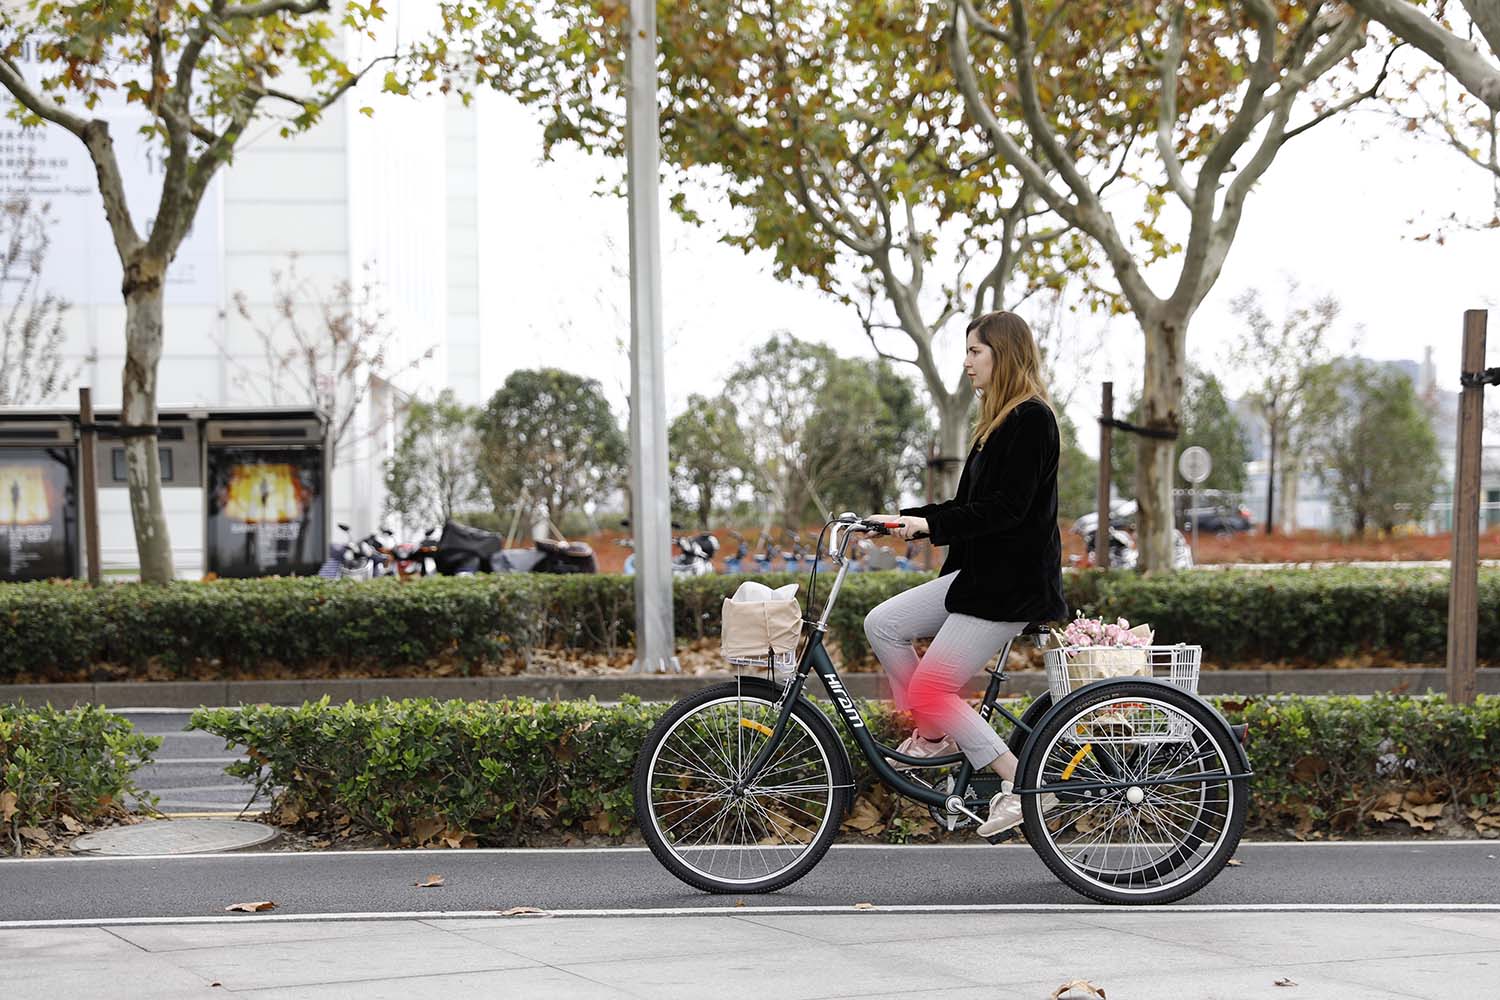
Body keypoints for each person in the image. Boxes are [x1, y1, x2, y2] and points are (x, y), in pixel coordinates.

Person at [866, 310, 1069, 837]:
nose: (967, 362)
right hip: (978, 578)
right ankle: (935, 735)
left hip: (1010, 586)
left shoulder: (1032, 419)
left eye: (976, 351)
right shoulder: (997, 423)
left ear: (1004, 353)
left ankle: (1019, 784)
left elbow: (1005, 511)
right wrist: (899, 520)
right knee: (882, 624)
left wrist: (924, 528)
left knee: (932, 688)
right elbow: (965, 505)